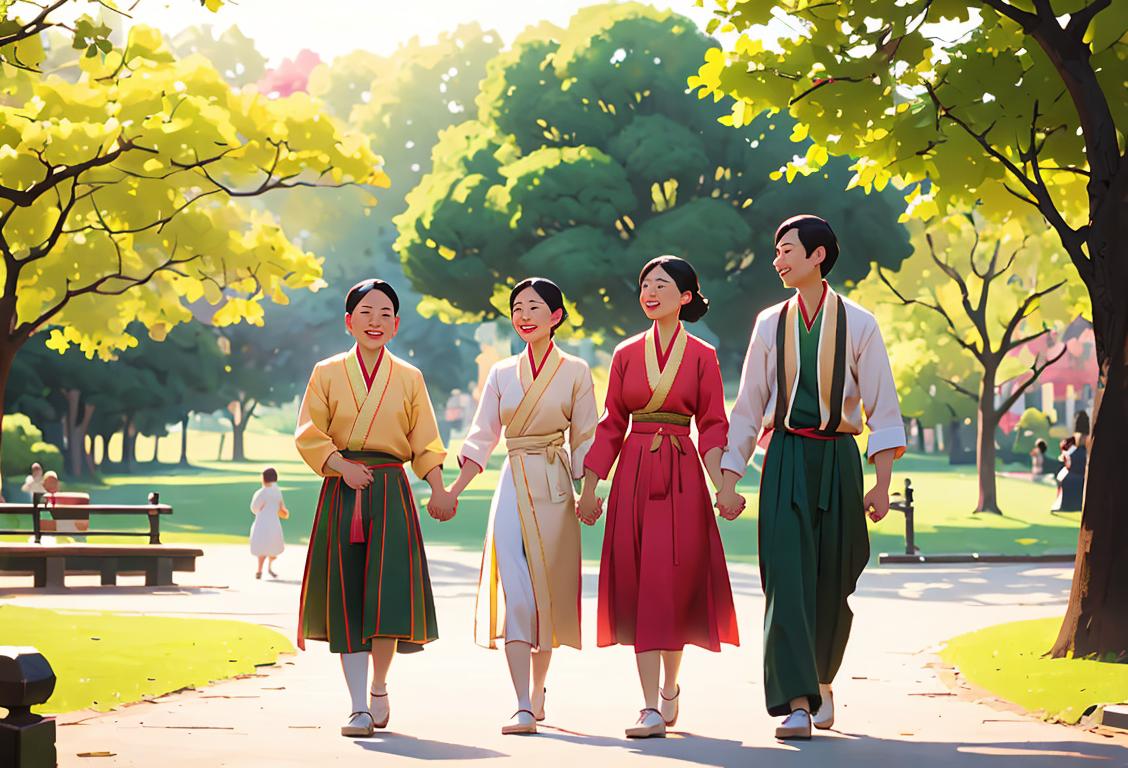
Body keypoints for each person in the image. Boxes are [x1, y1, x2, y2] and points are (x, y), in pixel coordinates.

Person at [716, 215, 906, 740]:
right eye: (776, 252)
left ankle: (822, 680)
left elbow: (882, 405)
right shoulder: (767, 323)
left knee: (834, 579)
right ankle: (795, 702)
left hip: (840, 461)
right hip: (784, 460)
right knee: (786, 580)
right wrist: (730, 477)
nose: (778, 261)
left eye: (787, 251)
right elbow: (749, 404)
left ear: (818, 255)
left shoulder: (861, 323)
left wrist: (881, 481)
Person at [577, 256, 740, 739]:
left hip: (684, 474)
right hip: (632, 474)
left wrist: (723, 488)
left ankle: (671, 687)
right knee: (640, 581)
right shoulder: (626, 353)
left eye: (662, 285)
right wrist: (590, 489)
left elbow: (712, 427)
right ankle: (648, 706)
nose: (650, 291)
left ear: (685, 297)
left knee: (676, 579)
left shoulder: (703, 356)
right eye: (645, 283)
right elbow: (610, 425)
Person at [294, 278, 455, 738]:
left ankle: (379, 687)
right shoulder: (325, 372)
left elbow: (425, 440)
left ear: (397, 324)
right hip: (343, 490)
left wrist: (439, 490)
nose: (375, 321)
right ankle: (356, 706)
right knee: (348, 598)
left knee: (385, 598)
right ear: (348, 322)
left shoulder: (409, 377)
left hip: (389, 491)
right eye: (365, 312)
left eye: (385, 313)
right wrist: (340, 466)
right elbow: (308, 432)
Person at [447, 278, 599, 735]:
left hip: (555, 487)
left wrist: (589, 491)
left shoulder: (575, 370)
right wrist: (453, 490)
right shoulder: (499, 373)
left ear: (556, 316)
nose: (524, 314)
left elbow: (587, 436)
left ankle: (538, 690)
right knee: (517, 591)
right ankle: (520, 703)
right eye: (518, 307)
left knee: (546, 591)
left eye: (535, 306)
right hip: (512, 484)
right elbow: (481, 435)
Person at [249, 467, 287, 579]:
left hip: (262, 522)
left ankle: (259, 569)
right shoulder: (277, 491)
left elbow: (254, 508)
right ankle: (269, 568)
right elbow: (281, 507)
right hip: (274, 522)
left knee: (262, 545)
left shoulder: (262, 492)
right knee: (272, 545)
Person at [1052, 411, 1088, 512]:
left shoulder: (1076, 438)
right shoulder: (1086, 437)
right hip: (1080, 469)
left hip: (1074, 470)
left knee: (1062, 476)